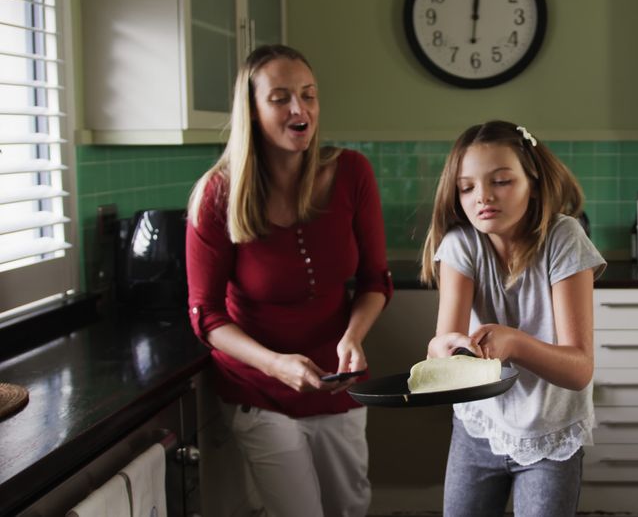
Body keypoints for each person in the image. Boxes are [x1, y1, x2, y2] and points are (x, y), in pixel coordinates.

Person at [185, 44, 391, 517]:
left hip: (338, 382)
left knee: (349, 506)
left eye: (309, 95)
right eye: (280, 98)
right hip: (259, 389)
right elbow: (206, 315)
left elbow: (375, 280)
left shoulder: (351, 173)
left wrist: (354, 338)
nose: (300, 109)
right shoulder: (216, 196)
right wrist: (275, 364)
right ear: (253, 112)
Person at [419, 120, 606, 517]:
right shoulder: (460, 244)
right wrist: (446, 350)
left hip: (549, 437)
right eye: (467, 187)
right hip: (478, 431)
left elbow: (578, 369)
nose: (482, 197)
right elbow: (442, 343)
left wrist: (515, 343)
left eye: (501, 181)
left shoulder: (564, 239)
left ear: (533, 182)